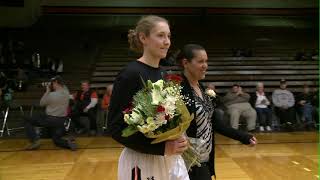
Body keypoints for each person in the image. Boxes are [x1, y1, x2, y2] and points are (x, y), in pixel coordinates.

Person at [108, 15, 189, 180]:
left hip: (167, 159)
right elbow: (116, 128)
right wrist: (161, 148)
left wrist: (179, 135)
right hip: (141, 161)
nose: (167, 42)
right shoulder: (130, 74)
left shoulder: (163, 73)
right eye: (160, 35)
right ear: (143, 38)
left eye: (168, 36)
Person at [177, 44, 257, 180]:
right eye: (200, 61)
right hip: (187, 161)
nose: (205, 65)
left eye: (206, 61)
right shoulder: (177, 90)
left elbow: (216, 124)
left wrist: (243, 136)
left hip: (205, 158)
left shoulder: (203, 89)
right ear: (185, 63)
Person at [24, 76, 77, 151]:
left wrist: (47, 91)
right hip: (62, 121)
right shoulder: (66, 92)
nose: (51, 85)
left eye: (53, 83)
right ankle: (68, 144)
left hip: (50, 119)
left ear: (56, 83)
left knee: (27, 120)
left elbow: (41, 103)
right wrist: (52, 83)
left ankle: (34, 141)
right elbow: (63, 85)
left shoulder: (52, 95)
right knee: (56, 140)